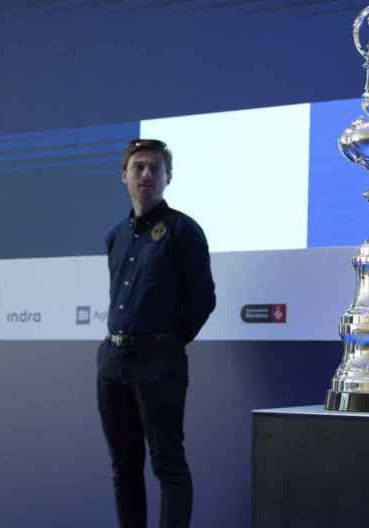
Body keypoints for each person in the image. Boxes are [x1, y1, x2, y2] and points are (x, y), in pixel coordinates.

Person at [97, 138, 216, 528]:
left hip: (158, 363)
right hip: (113, 363)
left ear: (168, 177)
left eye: (154, 168)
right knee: (123, 467)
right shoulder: (115, 235)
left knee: (168, 465)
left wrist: (166, 343)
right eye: (138, 168)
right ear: (124, 176)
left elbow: (203, 299)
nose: (146, 174)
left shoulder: (184, 230)